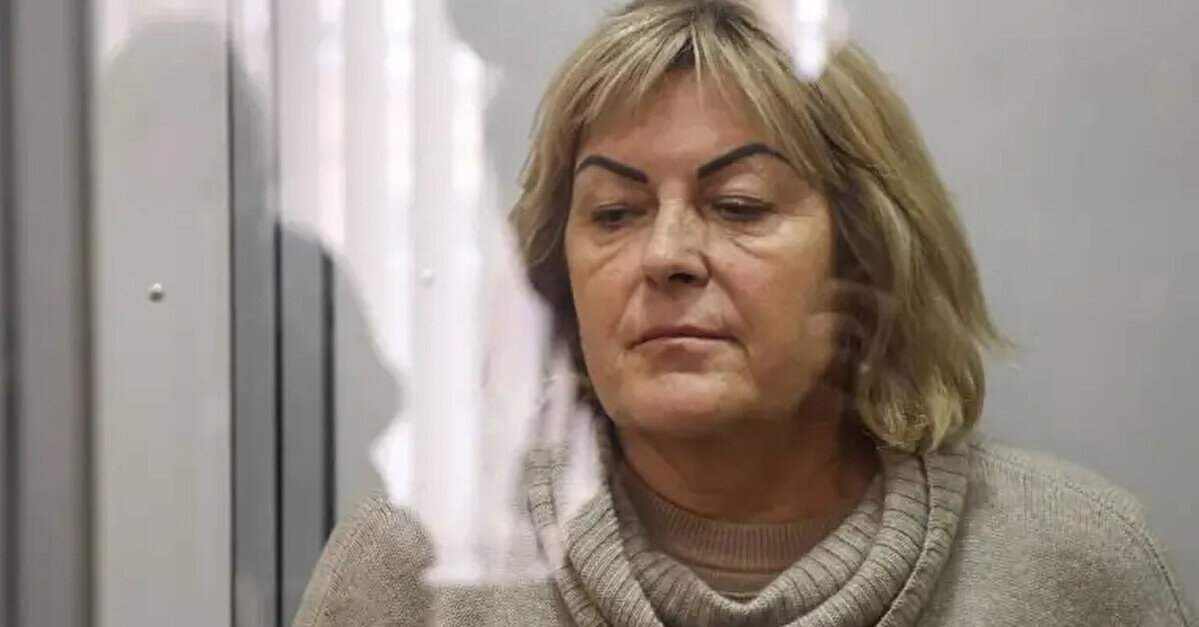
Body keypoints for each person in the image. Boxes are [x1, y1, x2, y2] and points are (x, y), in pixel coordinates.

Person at [294, 1, 1194, 625]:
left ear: (867, 254)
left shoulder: (1071, 567)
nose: (666, 255)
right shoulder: (418, 567)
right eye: (615, 212)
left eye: (739, 205)